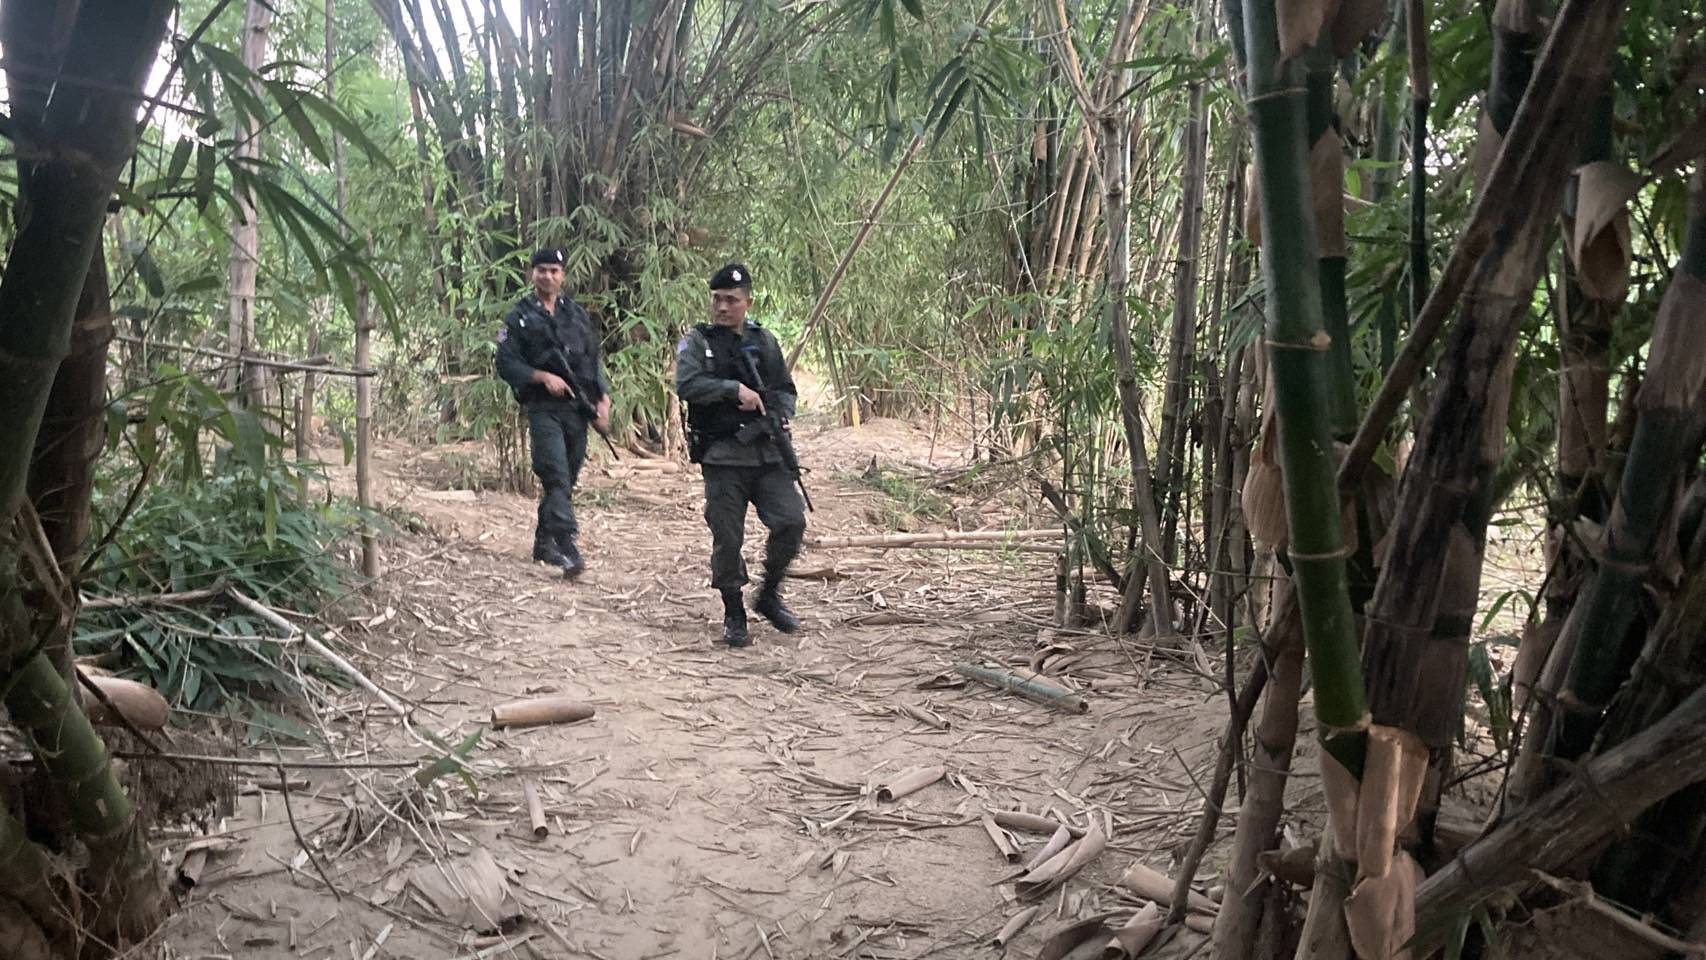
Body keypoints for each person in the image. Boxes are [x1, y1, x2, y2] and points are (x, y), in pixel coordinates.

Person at [675, 263, 806, 648]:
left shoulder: (764, 341)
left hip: (766, 454)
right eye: (717, 299)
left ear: (748, 302)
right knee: (727, 538)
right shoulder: (698, 342)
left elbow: (785, 390)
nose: (722, 307)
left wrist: (779, 415)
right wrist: (733, 390)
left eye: (731, 300)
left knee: (791, 521)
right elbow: (687, 384)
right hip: (723, 456)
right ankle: (734, 610)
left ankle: (769, 593)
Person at [494, 247, 612, 579]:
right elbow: (505, 362)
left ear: (563, 275)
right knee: (555, 473)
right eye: (541, 270)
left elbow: (592, 360)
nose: (548, 276)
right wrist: (542, 377)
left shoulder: (575, 314)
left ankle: (543, 543)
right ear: (532, 274)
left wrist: (603, 398)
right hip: (544, 408)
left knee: (567, 477)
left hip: (577, 408)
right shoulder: (518, 317)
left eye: (554, 271)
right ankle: (566, 544)